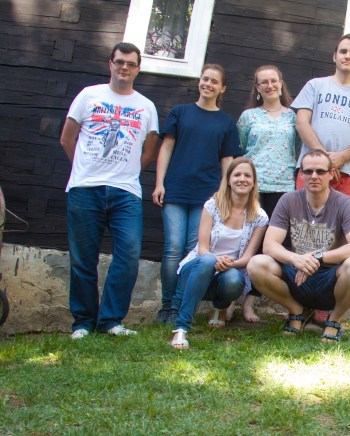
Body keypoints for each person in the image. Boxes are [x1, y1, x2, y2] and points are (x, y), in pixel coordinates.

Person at [60, 42, 158, 339]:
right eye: (119, 62)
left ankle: (110, 321)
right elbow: (67, 139)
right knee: (83, 259)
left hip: (126, 192)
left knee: (128, 255)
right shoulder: (88, 95)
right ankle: (83, 323)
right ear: (110, 64)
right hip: (85, 188)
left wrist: (128, 172)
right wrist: (84, 169)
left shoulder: (146, 106)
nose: (124, 67)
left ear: (138, 69)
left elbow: (150, 150)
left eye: (131, 63)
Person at [247, 149, 350, 343]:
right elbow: (269, 245)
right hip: (296, 276)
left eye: (320, 171)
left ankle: (334, 320)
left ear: (331, 174)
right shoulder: (289, 200)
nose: (314, 176)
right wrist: (295, 258)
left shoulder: (344, 203)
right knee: (257, 264)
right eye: (308, 171)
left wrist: (317, 257)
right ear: (301, 174)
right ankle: (297, 312)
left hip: (330, 278)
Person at [152, 64, 241, 326]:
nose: (208, 84)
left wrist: (223, 191)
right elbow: (166, 148)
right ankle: (167, 306)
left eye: (214, 82)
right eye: (205, 79)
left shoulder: (226, 122)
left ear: (222, 88)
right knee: (173, 248)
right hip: (176, 190)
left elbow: (227, 160)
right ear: (199, 81)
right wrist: (159, 183)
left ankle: (180, 306)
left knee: (193, 251)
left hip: (206, 196)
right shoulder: (180, 112)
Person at [170, 158, 268, 349]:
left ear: (254, 182)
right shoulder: (212, 206)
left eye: (247, 176)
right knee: (207, 260)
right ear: (229, 180)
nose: (242, 179)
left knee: (234, 279)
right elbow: (202, 249)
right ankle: (182, 327)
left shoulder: (260, 217)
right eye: (237, 175)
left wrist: (229, 264)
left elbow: (247, 258)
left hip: (228, 272)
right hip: (198, 268)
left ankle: (220, 308)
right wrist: (216, 259)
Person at [228, 65, 299, 323]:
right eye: (263, 82)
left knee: (270, 247)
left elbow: (298, 150)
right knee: (244, 241)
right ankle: (229, 298)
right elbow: (239, 151)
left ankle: (250, 303)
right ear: (257, 87)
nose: (269, 86)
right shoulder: (248, 116)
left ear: (281, 83)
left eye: (273, 81)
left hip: (283, 188)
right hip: (252, 188)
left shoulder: (294, 117)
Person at [291, 33, 350, 200]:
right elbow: (301, 122)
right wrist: (324, 159)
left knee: (341, 218)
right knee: (303, 216)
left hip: (347, 174)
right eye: (343, 51)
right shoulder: (315, 85)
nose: (347, 56)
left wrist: (343, 157)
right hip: (311, 170)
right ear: (334, 56)